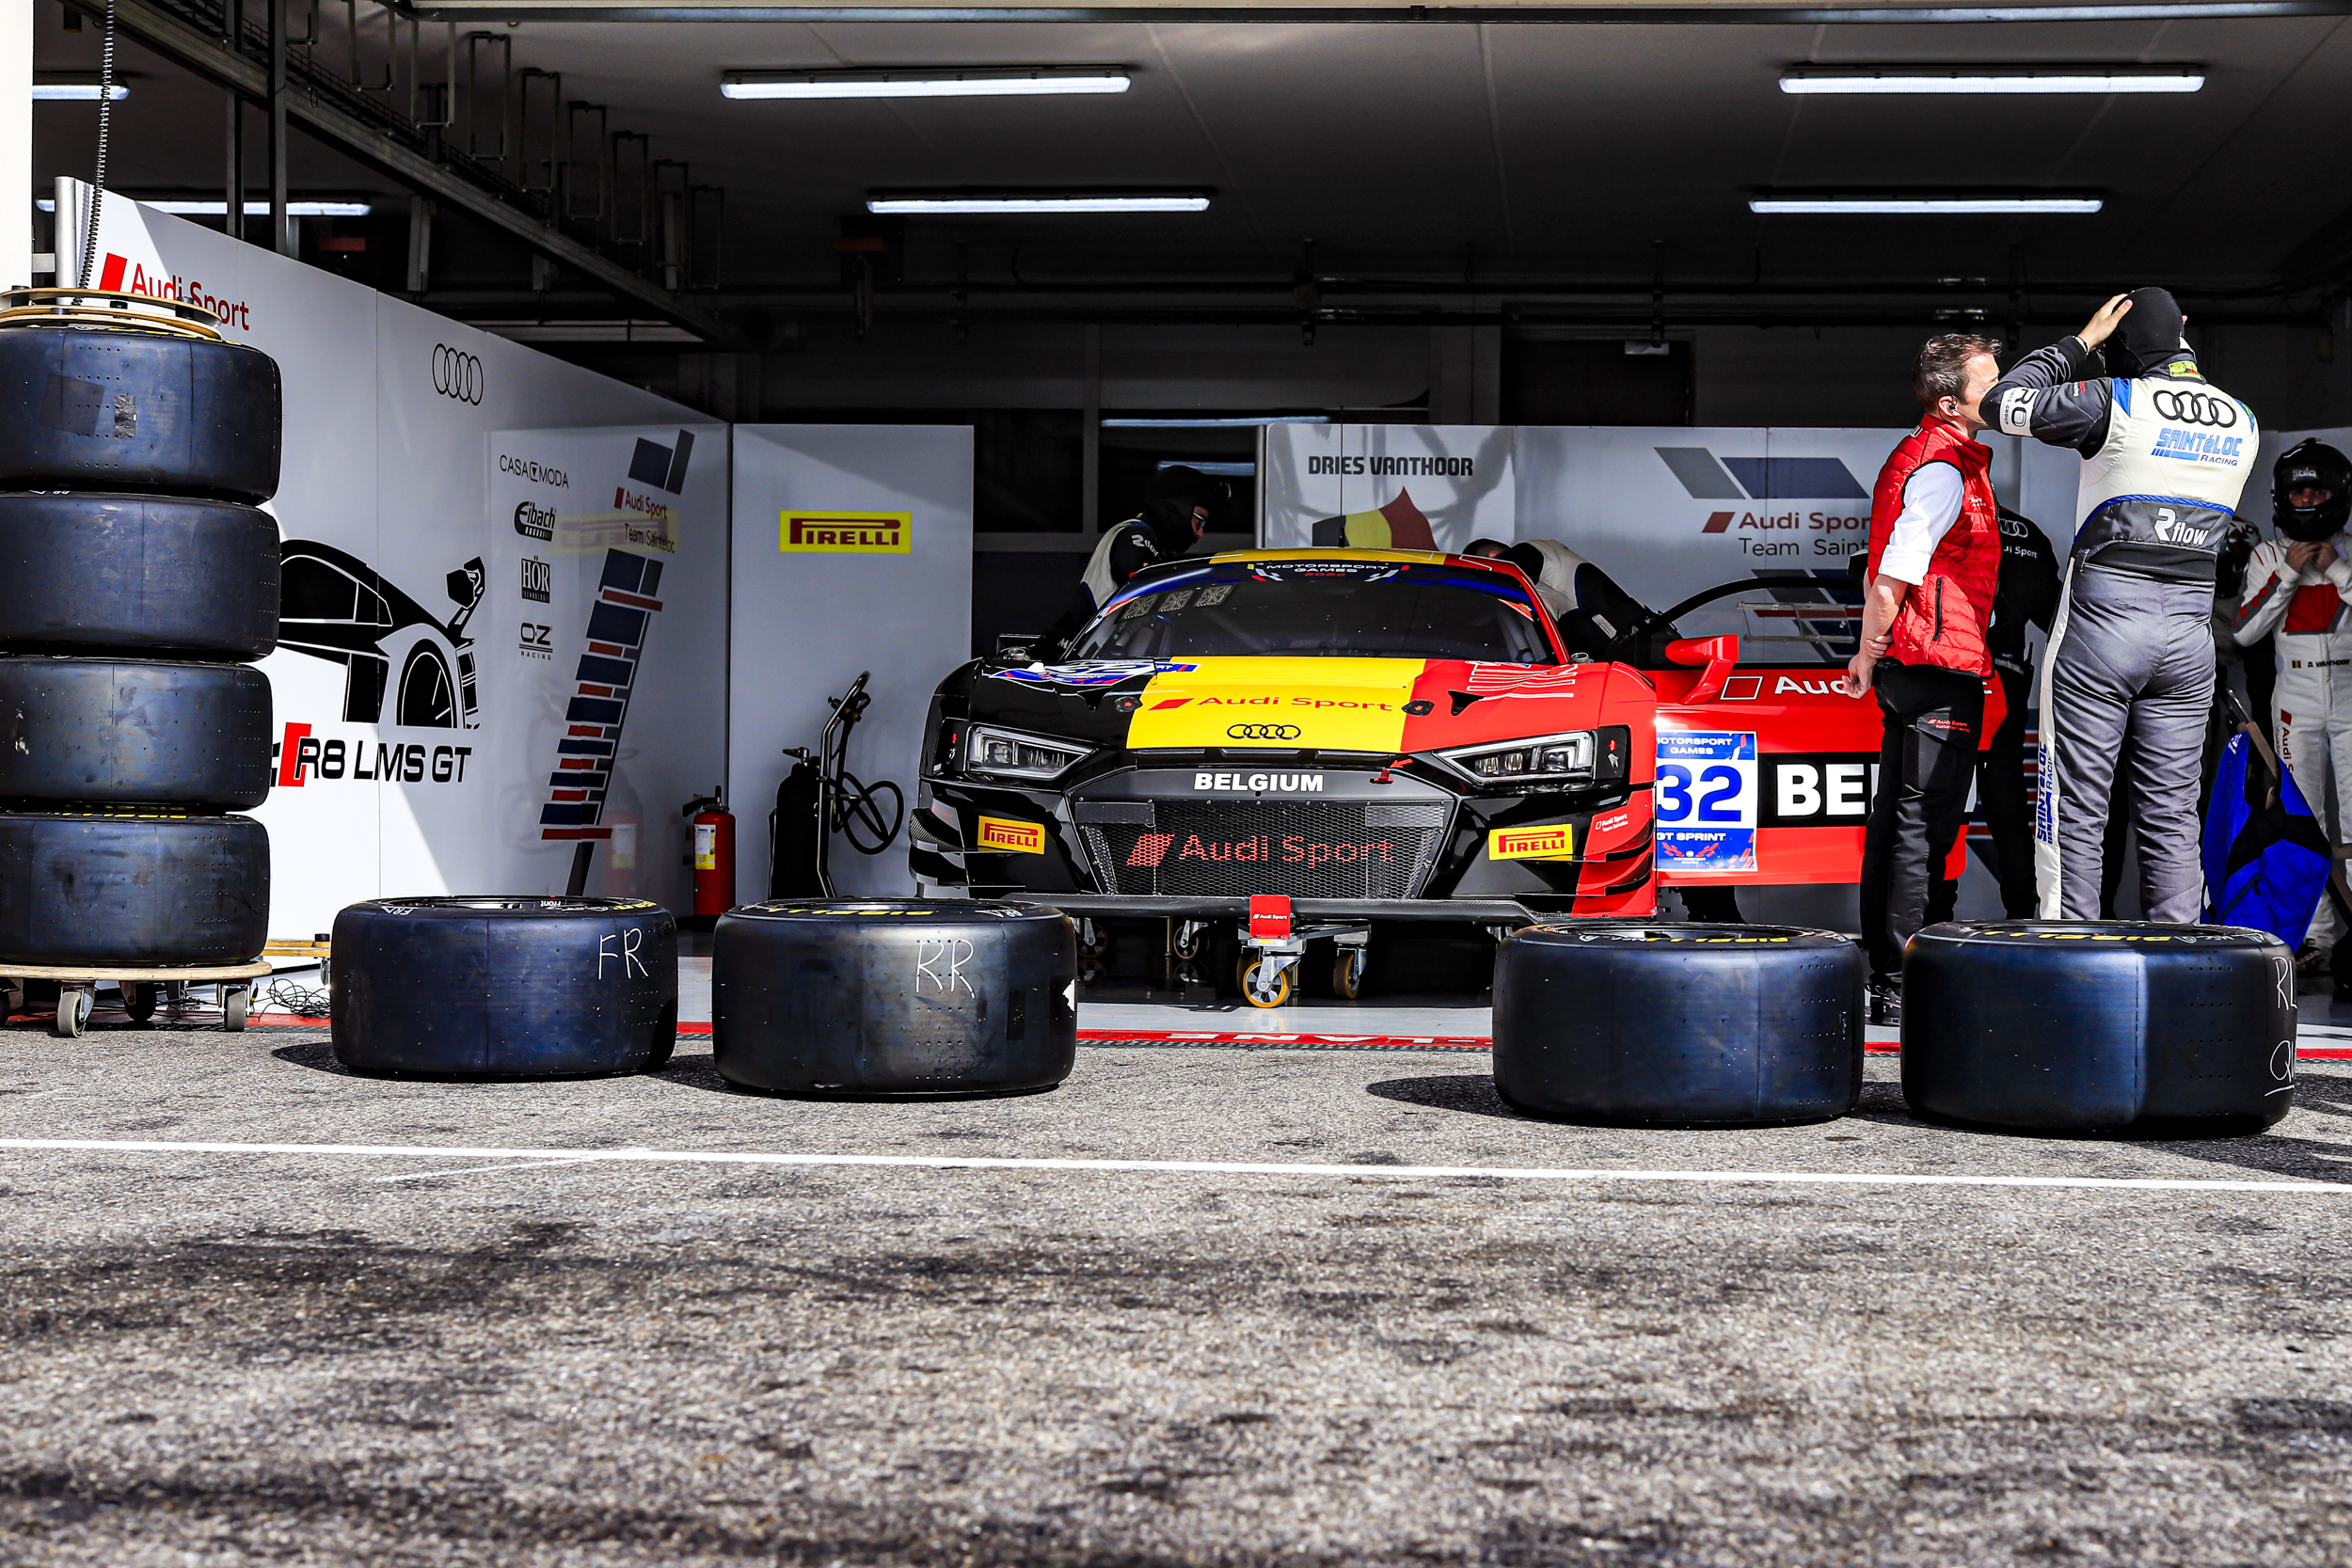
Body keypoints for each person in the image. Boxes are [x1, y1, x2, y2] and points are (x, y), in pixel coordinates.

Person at [1982, 288, 2260, 922]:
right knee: (2171, 814)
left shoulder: (2117, 397)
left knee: (2075, 808)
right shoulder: (2242, 417)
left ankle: (2071, 973)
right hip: (2190, 635)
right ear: (2184, 333)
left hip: (2102, 627)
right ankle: (2183, 977)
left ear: (2124, 346)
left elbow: (2001, 402)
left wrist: (2080, 346)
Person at [1844, 332, 2006, 1022]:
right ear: (1950, 402)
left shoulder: (1934, 454)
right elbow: (1893, 575)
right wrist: (1866, 652)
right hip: (1935, 664)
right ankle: (1898, 976)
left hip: (1923, 662)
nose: (2001, 395)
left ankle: (1886, 972)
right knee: (1921, 823)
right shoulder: (1941, 468)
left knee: (1897, 819)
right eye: (1989, 385)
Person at [2233, 438, 2352, 990]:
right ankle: (2319, 938)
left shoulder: (2351, 550)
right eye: (2297, 490)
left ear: (2335, 495)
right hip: (2294, 689)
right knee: (2306, 818)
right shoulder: (2264, 557)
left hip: (2351, 686)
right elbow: (2246, 631)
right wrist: (2288, 574)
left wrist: (2339, 570)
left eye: (2316, 489)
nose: (2306, 499)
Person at [1928, 505, 2064, 922]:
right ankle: (2022, 916)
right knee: (2006, 805)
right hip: (2006, 679)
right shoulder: (2027, 532)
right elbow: (2056, 615)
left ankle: (1935, 915)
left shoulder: (1944, 519)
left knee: (1943, 798)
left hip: (1953, 678)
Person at [1043, 466, 1216, 653]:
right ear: (1177, 510)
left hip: (1090, 654)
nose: (1200, 533)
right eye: (1199, 521)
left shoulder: (1153, 544)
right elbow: (1138, 581)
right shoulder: (1134, 533)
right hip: (1072, 655)